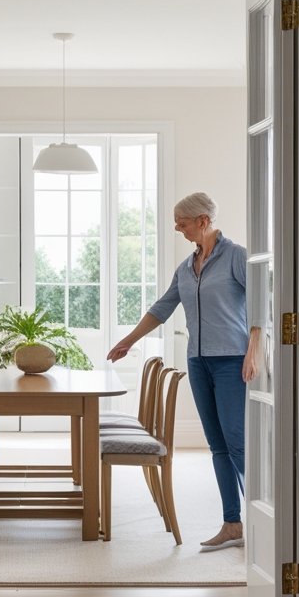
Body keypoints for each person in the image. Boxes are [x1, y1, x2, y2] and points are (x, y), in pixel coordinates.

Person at [107, 192, 261, 551]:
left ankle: (265, 523)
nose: (177, 227)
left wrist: (253, 352)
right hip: (199, 360)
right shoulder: (187, 267)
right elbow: (162, 308)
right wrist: (128, 341)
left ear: (203, 220)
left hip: (232, 360)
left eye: (183, 221)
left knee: (237, 445)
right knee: (218, 447)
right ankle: (232, 524)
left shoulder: (236, 256)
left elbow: (260, 305)